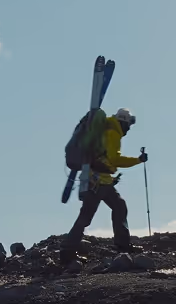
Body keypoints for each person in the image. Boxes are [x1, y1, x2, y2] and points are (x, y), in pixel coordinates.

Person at [60, 108, 147, 264]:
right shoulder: (113, 133)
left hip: (101, 180)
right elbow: (114, 159)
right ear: (123, 122)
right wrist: (137, 160)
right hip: (98, 181)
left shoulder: (107, 129)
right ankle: (67, 252)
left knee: (118, 206)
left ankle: (122, 245)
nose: (129, 128)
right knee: (87, 216)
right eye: (128, 124)